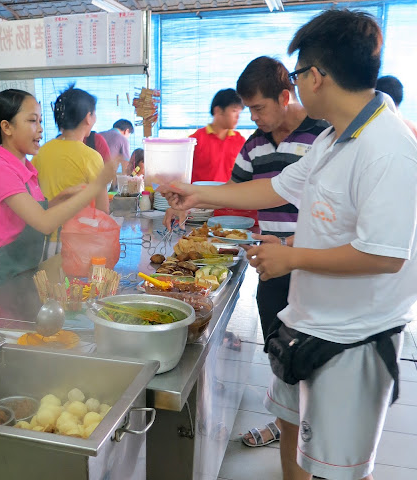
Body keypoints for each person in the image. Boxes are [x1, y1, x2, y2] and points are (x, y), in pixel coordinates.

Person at [160, 9, 417, 480]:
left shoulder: (389, 148)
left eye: (298, 74)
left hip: (352, 340)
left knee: (337, 470)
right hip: (307, 322)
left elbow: (384, 255)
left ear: (316, 77)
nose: (296, 84)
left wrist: (291, 257)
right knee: (294, 437)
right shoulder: (335, 140)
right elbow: (276, 188)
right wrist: (198, 192)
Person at [0, 89, 116, 296]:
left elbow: (27, 215)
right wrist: (94, 187)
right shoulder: (0, 170)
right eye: (32, 121)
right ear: (6, 127)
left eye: (40, 121)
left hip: (20, 276)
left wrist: (55, 202)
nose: (40, 129)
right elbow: (43, 222)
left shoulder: (27, 168)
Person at [33, 85, 109, 214]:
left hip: (48, 229)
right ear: (88, 117)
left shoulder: (40, 152)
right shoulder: (91, 157)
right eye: (94, 114)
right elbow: (103, 209)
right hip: (79, 232)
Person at [189, 88, 245, 182]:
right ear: (218, 110)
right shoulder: (196, 140)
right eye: (234, 111)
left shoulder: (240, 141)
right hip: (201, 195)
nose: (238, 117)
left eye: (240, 113)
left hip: (230, 195)